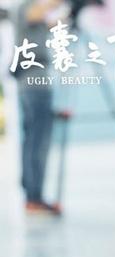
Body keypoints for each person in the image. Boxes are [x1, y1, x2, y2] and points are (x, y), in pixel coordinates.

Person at [12, 0, 68, 214]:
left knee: (32, 142)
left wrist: (74, 10)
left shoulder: (33, 15)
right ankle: (34, 198)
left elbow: (53, 24)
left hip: (30, 86)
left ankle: (32, 195)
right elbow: (38, 12)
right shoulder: (27, 8)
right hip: (35, 87)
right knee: (38, 143)